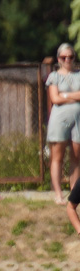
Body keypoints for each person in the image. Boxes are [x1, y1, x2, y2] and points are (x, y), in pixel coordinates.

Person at [46, 43, 80, 204]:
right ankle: (58, 193)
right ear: (59, 59)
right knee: (57, 157)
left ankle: (74, 192)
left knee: (76, 156)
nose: (67, 60)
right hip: (59, 119)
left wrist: (65, 94)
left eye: (70, 57)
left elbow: (62, 97)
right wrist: (74, 95)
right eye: (64, 57)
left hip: (78, 119)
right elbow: (55, 98)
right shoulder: (54, 76)